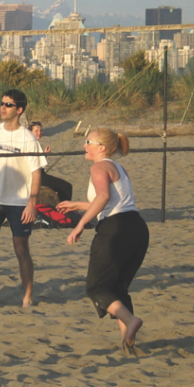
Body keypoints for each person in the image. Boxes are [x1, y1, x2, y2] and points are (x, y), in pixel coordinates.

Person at [56, 128, 148, 350]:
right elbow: (112, 201)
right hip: (137, 228)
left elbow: (104, 197)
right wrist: (77, 205)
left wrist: (79, 225)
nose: (84, 145)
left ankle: (132, 321)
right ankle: (128, 341)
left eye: (88, 141)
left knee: (96, 288)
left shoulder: (98, 167)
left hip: (116, 230)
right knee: (118, 288)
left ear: (102, 147)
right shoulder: (118, 167)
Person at [0, 89, 47, 308]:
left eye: (8, 105)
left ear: (19, 110)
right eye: (2, 103)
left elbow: (37, 172)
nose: (3, 107)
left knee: (20, 249)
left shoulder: (27, 138)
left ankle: (27, 296)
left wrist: (32, 203)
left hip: (18, 201)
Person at [30, 121, 73, 202]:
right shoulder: (33, 143)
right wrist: (44, 155)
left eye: (41, 131)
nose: (39, 133)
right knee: (66, 187)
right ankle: (63, 209)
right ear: (30, 132)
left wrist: (45, 154)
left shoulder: (31, 143)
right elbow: (39, 165)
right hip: (37, 175)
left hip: (37, 174)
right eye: (36, 131)